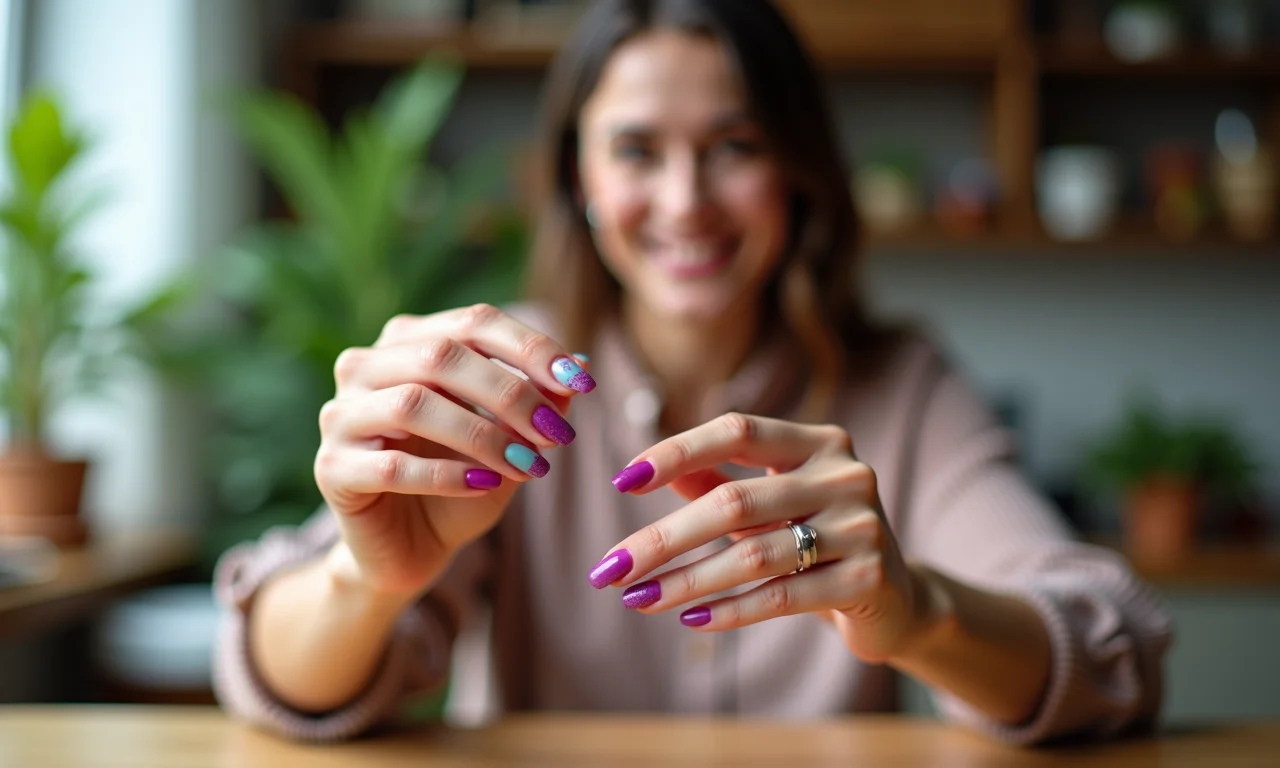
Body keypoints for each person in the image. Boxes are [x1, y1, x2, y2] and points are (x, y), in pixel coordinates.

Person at [213, 0, 1171, 745]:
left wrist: (920, 613)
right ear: (577, 180)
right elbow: (273, 675)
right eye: (637, 149)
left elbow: (1106, 646)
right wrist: (364, 580)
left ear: (797, 172)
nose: (685, 201)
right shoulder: (496, 387)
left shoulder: (903, 388)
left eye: (734, 147)